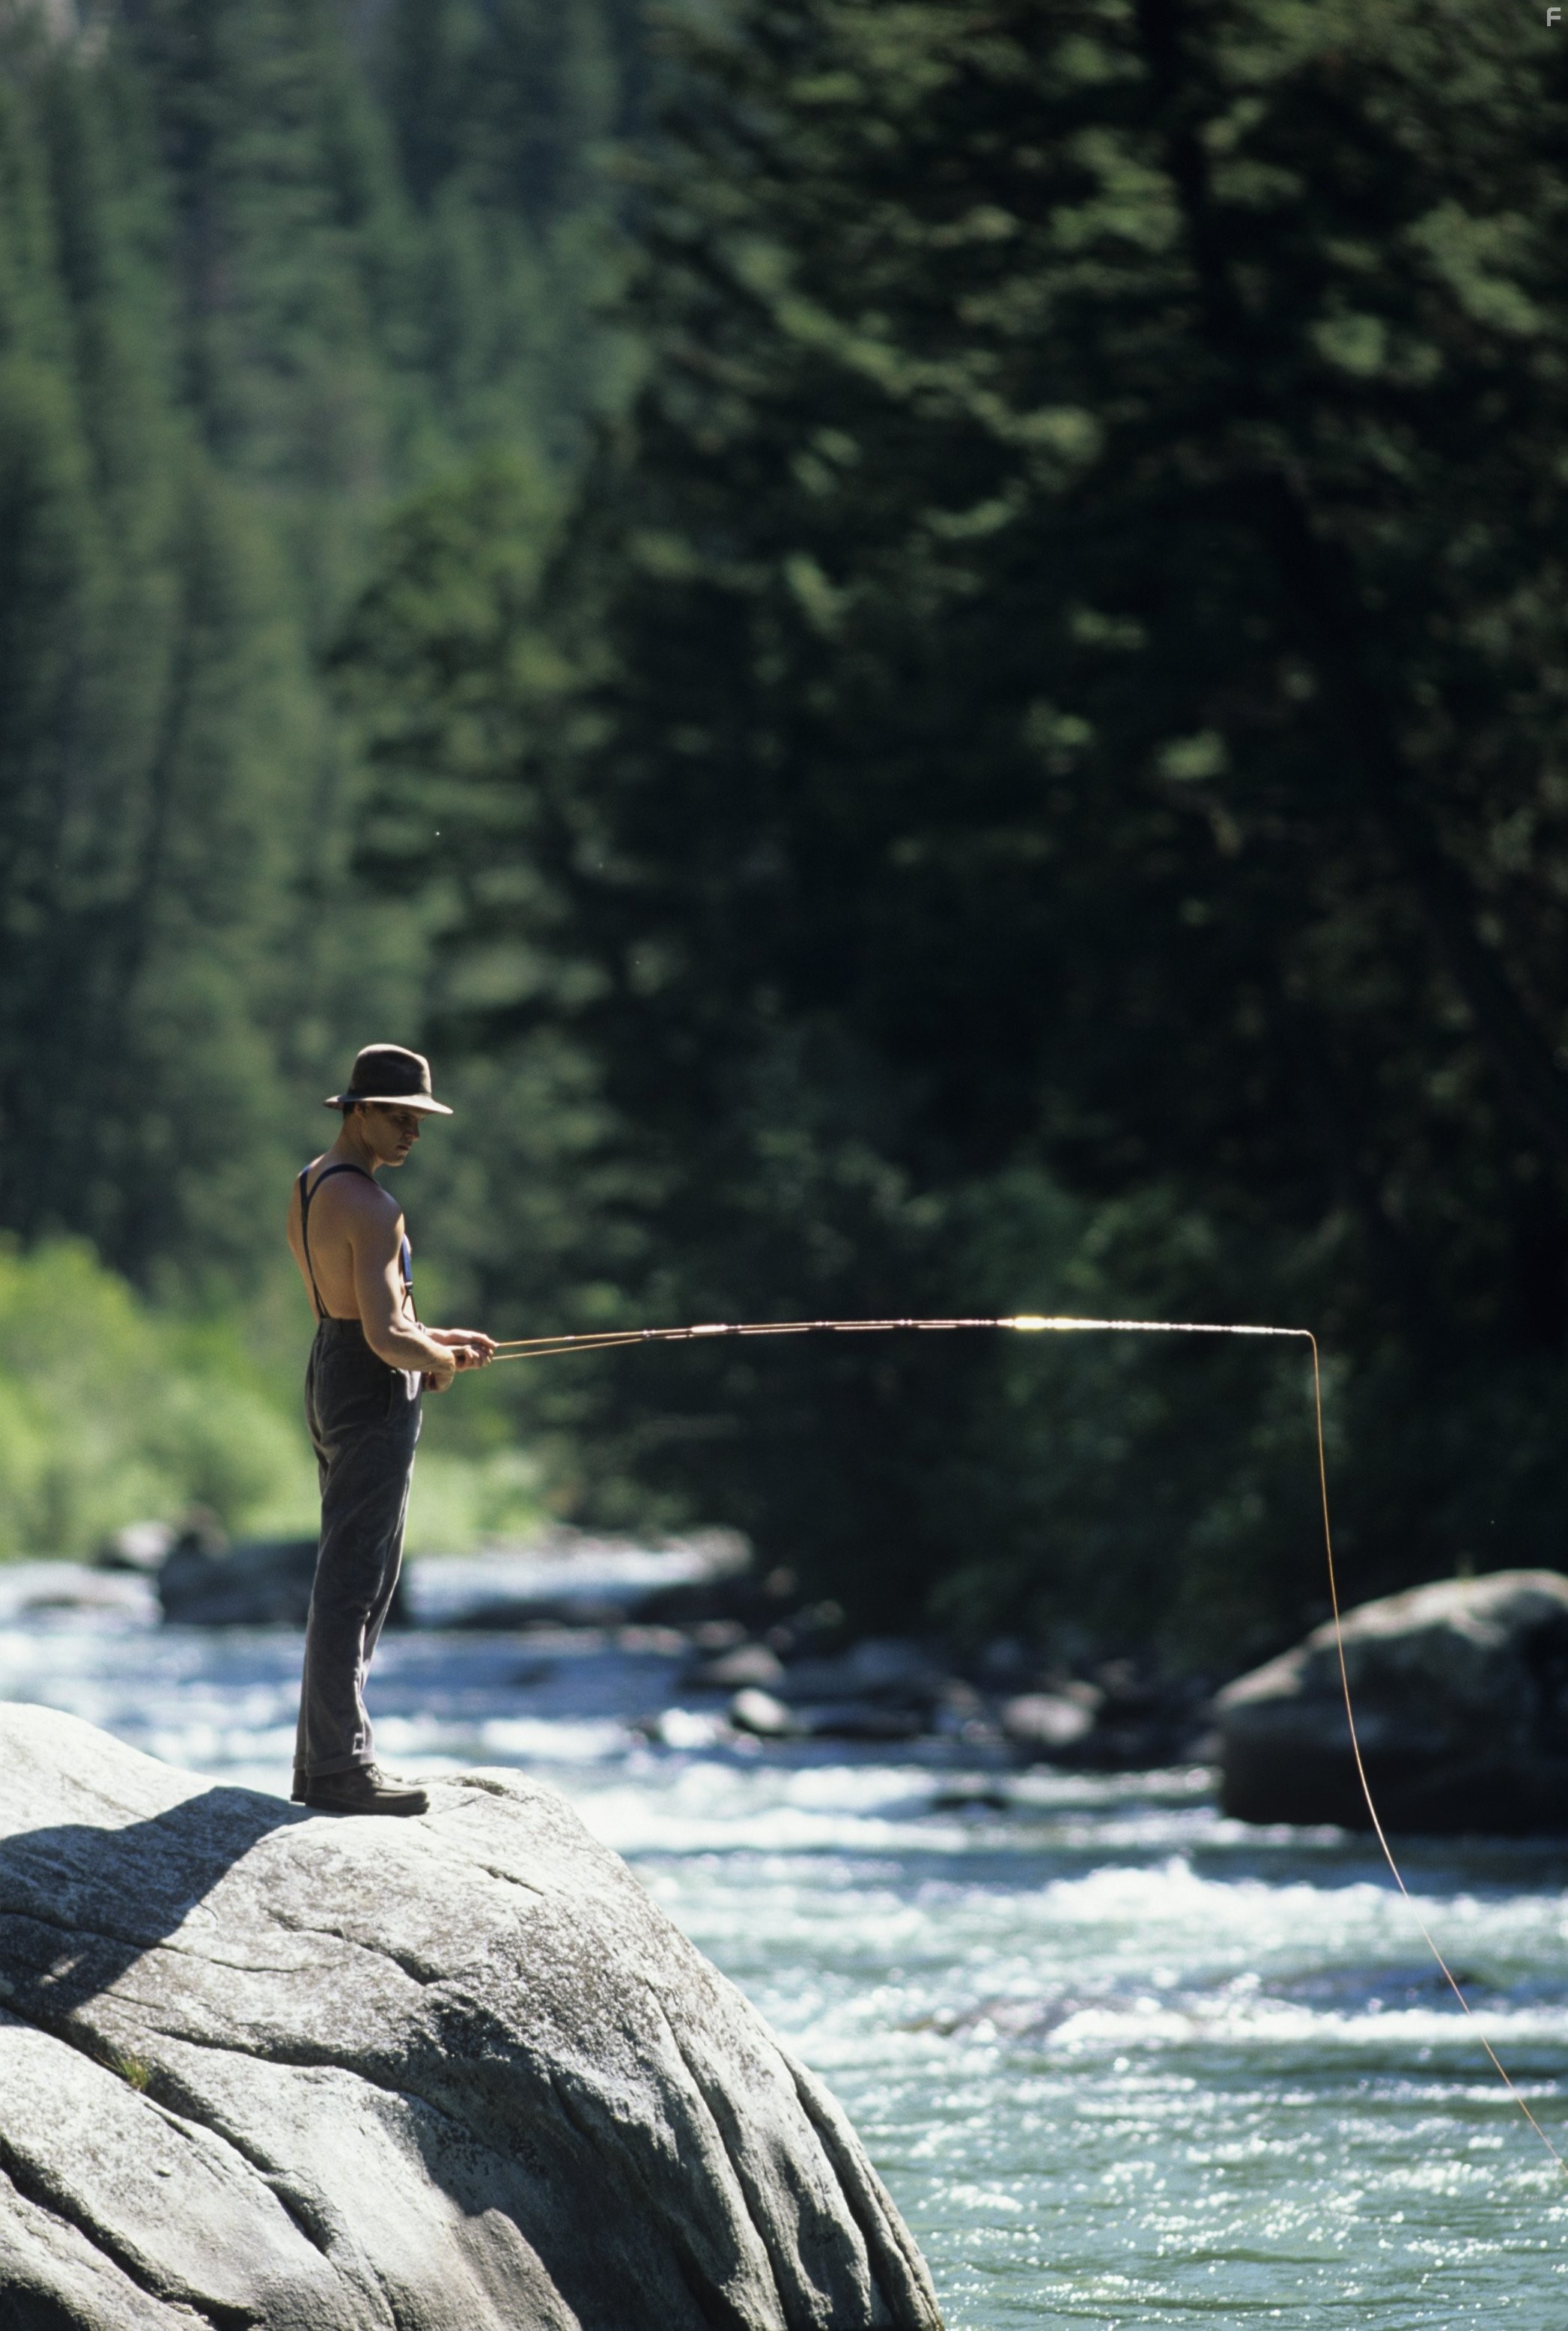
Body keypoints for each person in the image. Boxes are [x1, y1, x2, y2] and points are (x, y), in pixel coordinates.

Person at [285, 1044, 494, 1815]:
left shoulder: (310, 1185)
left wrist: (438, 1342)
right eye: (401, 1117)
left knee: (350, 1568)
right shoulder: (375, 1208)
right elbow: (383, 1335)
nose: (413, 1132)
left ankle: (323, 1761)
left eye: (421, 1120)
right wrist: (432, 1355)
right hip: (369, 1385)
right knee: (357, 1577)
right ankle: (339, 1766)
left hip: (328, 1370)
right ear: (358, 1110)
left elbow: (358, 1311)